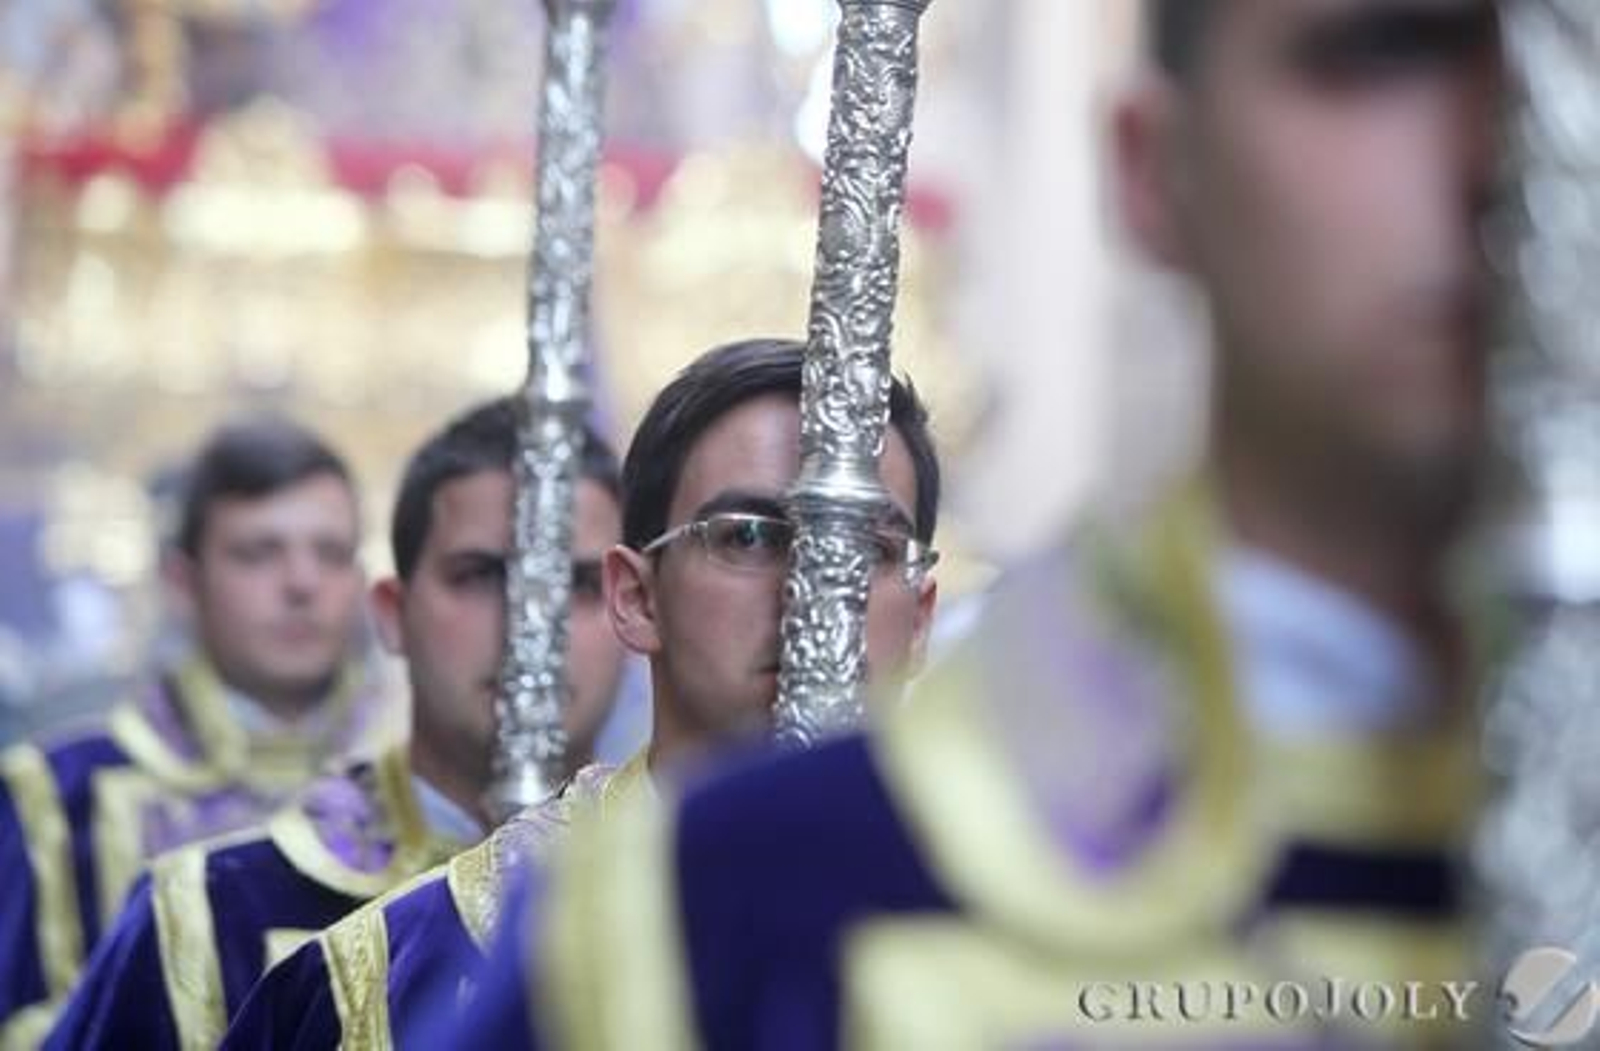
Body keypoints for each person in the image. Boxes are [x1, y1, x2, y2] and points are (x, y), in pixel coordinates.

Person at [435, 0, 1506, 1047]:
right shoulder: (707, 927)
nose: (1517, 155)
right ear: (1156, 169)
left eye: (1570, 55)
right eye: (1385, 49)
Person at [220, 337, 943, 1048]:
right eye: (749, 537)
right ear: (636, 597)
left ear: (919, 620)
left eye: (871, 548)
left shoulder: (992, 952)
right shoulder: (397, 973)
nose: (816, 592)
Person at [37, 399, 628, 1049]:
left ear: (636, 606)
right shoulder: (202, 912)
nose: (532, 626)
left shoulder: (689, 892)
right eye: (480, 575)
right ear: (392, 613)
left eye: (578, 583)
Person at [0, 418, 378, 1044]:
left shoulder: (420, 786)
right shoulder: (56, 796)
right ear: (182, 581)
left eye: (331, 554)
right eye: (259, 553)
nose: (302, 584)